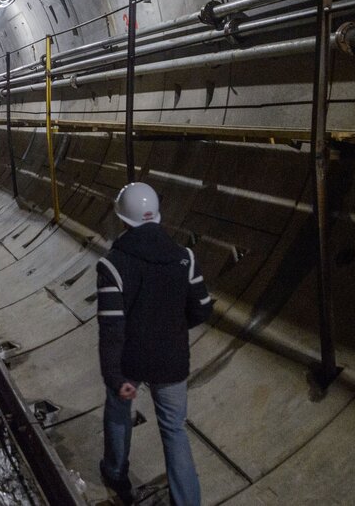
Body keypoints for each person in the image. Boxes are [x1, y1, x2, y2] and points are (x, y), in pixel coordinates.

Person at [97, 182, 213, 505]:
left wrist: (114, 377)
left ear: (123, 219)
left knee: (119, 409)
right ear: (157, 215)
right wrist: (171, 327)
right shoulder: (184, 258)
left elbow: (111, 328)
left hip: (130, 359)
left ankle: (116, 472)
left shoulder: (113, 265)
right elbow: (202, 308)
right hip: (172, 359)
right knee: (174, 429)